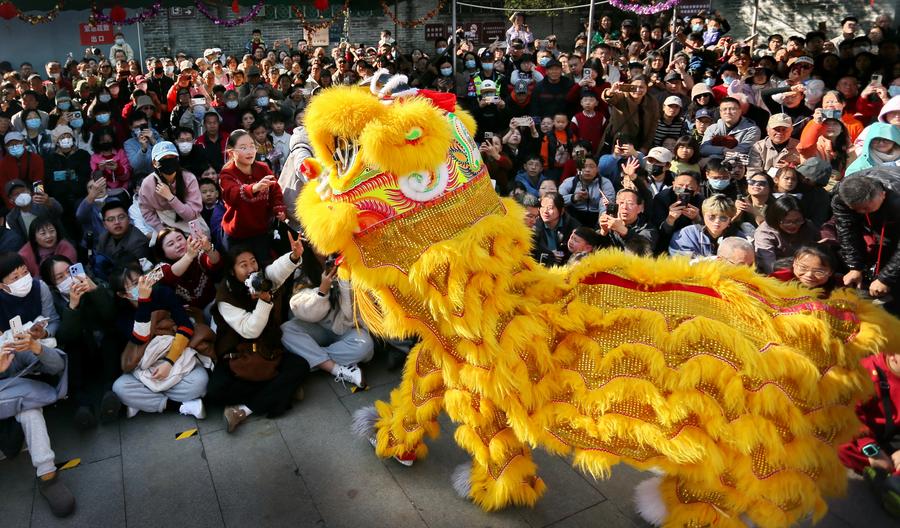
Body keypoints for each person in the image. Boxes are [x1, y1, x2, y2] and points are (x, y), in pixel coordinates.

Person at [206, 233, 309, 433]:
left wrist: (294, 257)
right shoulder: (225, 296)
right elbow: (250, 330)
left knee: (300, 366)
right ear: (232, 271)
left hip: (269, 351)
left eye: (253, 262)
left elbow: (278, 269)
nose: (251, 268)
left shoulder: (263, 278)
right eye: (243, 265)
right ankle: (279, 391)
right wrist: (264, 301)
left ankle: (244, 409)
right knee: (214, 392)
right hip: (238, 355)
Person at [0, 252, 74, 518]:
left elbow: (53, 322)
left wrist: (41, 336)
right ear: (2, 285)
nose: (22, 280)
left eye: (23, 273)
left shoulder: (39, 287)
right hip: (7, 377)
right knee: (22, 410)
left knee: (29, 410)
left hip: (38, 361)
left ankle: (48, 476)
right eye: (14, 278)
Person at [110, 261, 209, 420]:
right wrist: (143, 302)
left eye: (141, 279)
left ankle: (146, 402)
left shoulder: (163, 293)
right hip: (146, 366)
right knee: (120, 388)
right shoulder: (122, 313)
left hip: (175, 357)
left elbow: (185, 326)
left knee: (200, 381)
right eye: (134, 285)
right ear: (123, 294)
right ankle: (182, 405)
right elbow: (140, 337)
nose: (141, 285)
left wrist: (169, 363)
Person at [39, 255, 120, 429]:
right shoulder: (54, 301)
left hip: (104, 347)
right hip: (81, 354)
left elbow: (111, 315)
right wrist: (72, 307)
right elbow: (63, 337)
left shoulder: (92, 281)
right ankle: (83, 407)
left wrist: (95, 291)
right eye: (60, 277)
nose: (67, 278)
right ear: (53, 285)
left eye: (69, 272)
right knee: (73, 349)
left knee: (110, 339)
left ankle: (110, 395)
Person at [281, 249, 373, 389]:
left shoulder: (349, 256)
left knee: (365, 346)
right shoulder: (303, 266)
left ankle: (309, 358)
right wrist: (322, 290)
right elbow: (299, 308)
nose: (320, 247)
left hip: (347, 327)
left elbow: (360, 305)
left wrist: (344, 278)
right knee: (286, 330)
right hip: (317, 326)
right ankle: (338, 368)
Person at [832, 169, 900, 313]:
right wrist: (854, 266)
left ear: (882, 194)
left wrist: (885, 279)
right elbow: (846, 230)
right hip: (879, 224)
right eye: (857, 210)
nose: (862, 212)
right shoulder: (841, 196)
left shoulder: (896, 196)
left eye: (866, 208)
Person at [218, 129, 287, 260]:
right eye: (243, 148)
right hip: (236, 235)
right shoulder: (226, 174)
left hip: (261, 232)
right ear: (232, 152)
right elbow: (232, 195)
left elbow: (275, 190)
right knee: (240, 273)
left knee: (263, 268)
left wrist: (278, 207)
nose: (249, 151)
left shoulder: (263, 168)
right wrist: (254, 188)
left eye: (252, 146)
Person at [138, 141, 203, 234]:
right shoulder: (148, 184)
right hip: (164, 228)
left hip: (191, 226)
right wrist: (163, 231)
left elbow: (192, 215)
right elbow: (147, 211)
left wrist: (171, 197)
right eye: (163, 158)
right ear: (155, 163)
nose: (168, 161)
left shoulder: (189, 178)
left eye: (172, 157)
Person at [153, 228, 221, 312]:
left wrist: (209, 249)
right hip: (189, 315)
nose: (178, 245)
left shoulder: (197, 253)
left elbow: (215, 263)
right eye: (171, 244)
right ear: (162, 252)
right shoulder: (159, 268)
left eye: (179, 239)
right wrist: (188, 256)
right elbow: (169, 275)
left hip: (214, 303)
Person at [753, 195, 820, 274]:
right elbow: (769, 266)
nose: (793, 225)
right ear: (775, 219)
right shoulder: (764, 233)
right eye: (787, 222)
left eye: (798, 220)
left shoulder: (807, 225)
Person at [668, 194, 743, 258]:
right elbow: (682, 260)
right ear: (704, 215)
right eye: (712, 216)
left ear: (730, 219)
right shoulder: (687, 234)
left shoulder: (738, 238)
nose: (717, 221)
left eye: (723, 218)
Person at [602, 77, 659, 153]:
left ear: (646, 88)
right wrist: (611, 91)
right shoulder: (622, 96)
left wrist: (645, 146)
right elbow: (608, 98)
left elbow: (653, 125)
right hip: (621, 141)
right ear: (629, 86)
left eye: (641, 87)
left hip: (641, 140)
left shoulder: (651, 101)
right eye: (634, 87)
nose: (638, 90)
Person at [558, 155, 615, 227]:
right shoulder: (569, 181)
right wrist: (574, 198)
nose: (587, 170)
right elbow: (558, 200)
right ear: (578, 170)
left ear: (597, 169)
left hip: (597, 216)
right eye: (584, 167)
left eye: (591, 167)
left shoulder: (605, 183)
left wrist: (601, 221)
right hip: (573, 218)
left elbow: (607, 202)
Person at [532, 191, 581, 266]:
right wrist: (549, 255)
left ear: (561, 211)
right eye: (542, 207)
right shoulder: (534, 225)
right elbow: (533, 250)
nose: (545, 211)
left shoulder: (573, 226)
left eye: (550, 208)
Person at [95, 200, 150, 265]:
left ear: (129, 219)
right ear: (104, 225)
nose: (117, 222)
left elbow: (135, 271)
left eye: (121, 217)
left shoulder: (138, 242)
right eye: (111, 219)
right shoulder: (103, 238)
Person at [748, 113, 800, 178]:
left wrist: (791, 168)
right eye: (776, 129)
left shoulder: (800, 147)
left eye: (784, 129)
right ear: (768, 130)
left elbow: (807, 171)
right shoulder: (758, 147)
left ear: (791, 131)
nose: (780, 133)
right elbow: (752, 172)